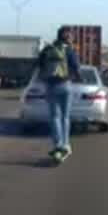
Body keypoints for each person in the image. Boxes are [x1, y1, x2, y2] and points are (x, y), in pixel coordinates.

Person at [37, 26, 80, 162]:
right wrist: (75, 76)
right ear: (68, 37)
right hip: (65, 85)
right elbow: (76, 67)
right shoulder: (69, 50)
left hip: (51, 86)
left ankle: (58, 145)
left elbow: (39, 64)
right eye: (71, 36)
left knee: (55, 116)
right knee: (65, 117)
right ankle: (66, 145)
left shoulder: (48, 49)